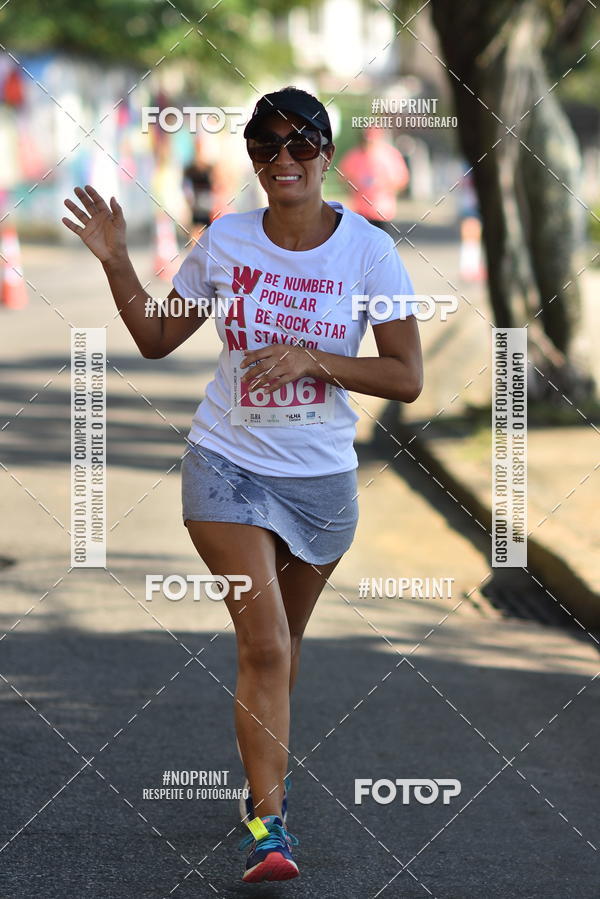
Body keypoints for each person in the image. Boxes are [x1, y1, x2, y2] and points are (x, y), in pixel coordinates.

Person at [61, 85, 423, 885]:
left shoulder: (368, 251)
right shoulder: (226, 240)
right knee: (262, 642)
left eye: (300, 145)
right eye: (265, 146)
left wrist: (314, 358)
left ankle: (263, 781)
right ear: (252, 157)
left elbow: (406, 377)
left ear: (327, 154)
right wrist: (119, 260)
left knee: (280, 651)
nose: (282, 160)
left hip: (321, 482)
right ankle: (268, 827)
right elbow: (158, 337)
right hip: (226, 463)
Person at [339, 126, 410, 236]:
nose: (367, 144)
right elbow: (343, 177)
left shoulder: (390, 155)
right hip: (361, 211)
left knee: (381, 246)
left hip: (382, 211)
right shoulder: (354, 155)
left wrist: (383, 185)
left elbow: (401, 179)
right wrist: (354, 187)